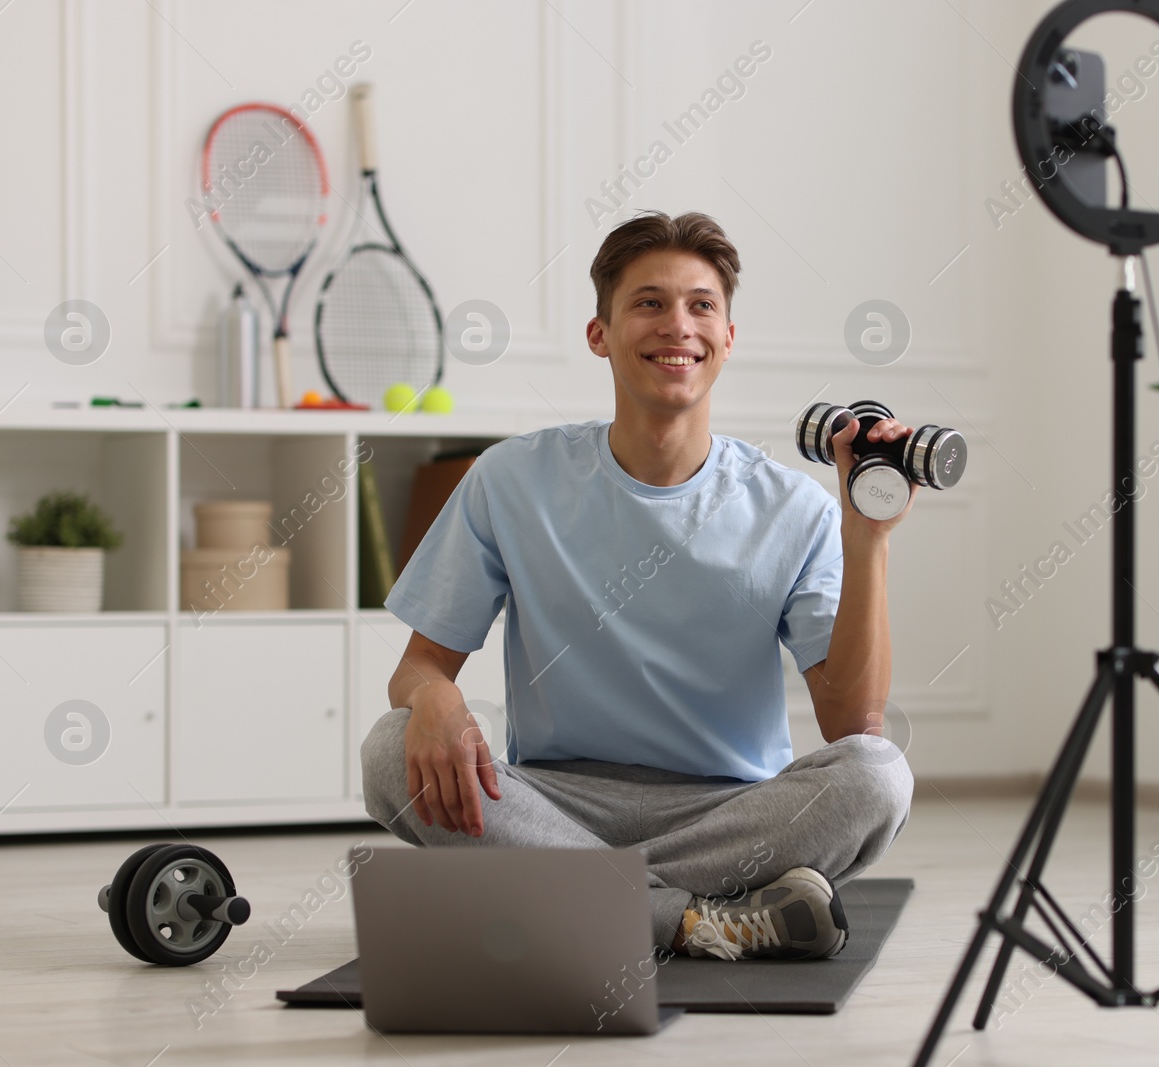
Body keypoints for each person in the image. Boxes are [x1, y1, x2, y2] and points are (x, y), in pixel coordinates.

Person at [362, 210, 915, 961]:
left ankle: (568, 896)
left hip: (730, 810)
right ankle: (695, 919)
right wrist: (434, 698)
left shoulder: (797, 508)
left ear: (727, 337)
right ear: (601, 333)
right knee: (391, 750)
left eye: (701, 305)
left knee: (877, 775)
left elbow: (854, 718)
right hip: (558, 799)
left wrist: (867, 536)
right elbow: (419, 665)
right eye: (649, 302)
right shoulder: (511, 478)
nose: (677, 325)